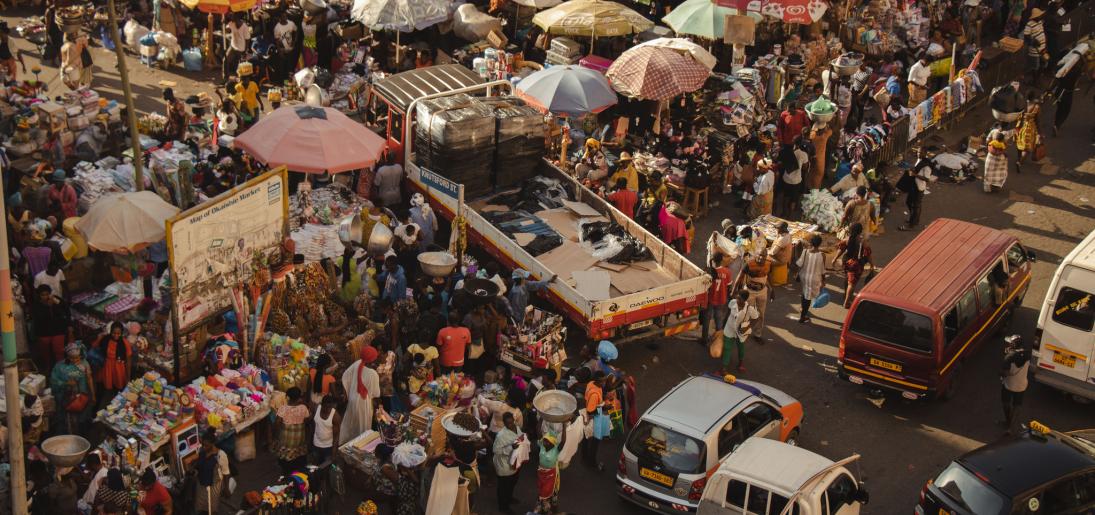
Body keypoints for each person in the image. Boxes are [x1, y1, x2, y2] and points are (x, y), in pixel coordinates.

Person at [339, 345, 381, 445]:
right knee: (363, 426)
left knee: (351, 422)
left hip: (352, 399)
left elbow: (345, 376)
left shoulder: (357, 363)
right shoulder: (373, 374)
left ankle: (347, 443)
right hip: (364, 403)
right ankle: (359, 444)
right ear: (372, 360)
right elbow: (375, 394)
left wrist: (346, 393)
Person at [50, 343, 94, 434]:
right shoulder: (60, 366)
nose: (75, 360)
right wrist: (66, 383)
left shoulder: (85, 364)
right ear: (67, 356)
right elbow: (53, 381)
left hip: (82, 396)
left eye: (77, 357)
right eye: (72, 358)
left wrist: (93, 395)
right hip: (67, 398)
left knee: (82, 417)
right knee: (68, 419)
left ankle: (81, 433)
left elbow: (89, 379)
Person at [831, 223, 873, 308]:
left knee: (847, 278)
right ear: (860, 231)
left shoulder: (847, 239)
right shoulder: (862, 241)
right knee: (852, 284)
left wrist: (834, 259)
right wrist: (872, 264)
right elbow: (868, 254)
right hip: (856, 265)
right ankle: (847, 302)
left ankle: (846, 294)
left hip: (846, 262)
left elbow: (841, 250)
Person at [31, 284, 70, 369]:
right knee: (45, 354)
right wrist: (48, 307)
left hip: (58, 330)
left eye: (47, 294)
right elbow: (39, 318)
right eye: (43, 295)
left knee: (59, 352)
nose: (45, 297)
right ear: (39, 295)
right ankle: (48, 369)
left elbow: (65, 309)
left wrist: (55, 304)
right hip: (44, 333)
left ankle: (61, 369)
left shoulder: (55, 299)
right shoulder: (36, 305)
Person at [194, 429, 232, 513]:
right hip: (201, 485)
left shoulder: (221, 455)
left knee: (212, 508)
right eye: (203, 445)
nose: (204, 447)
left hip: (214, 486)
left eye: (206, 445)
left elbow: (226, 472)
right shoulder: (202, 451)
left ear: (213, 443)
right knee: (202, 506)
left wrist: (226, 489)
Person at [493, 412, 523, 514]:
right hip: (504, 465)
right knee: (503, 487)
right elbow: (496, 450)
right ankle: (503, 507)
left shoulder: (517, 428)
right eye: (508, 423)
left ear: (514, 420)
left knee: (512, 482)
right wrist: (510, 448)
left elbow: (520, 437)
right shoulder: (501, 436)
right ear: (504, 423)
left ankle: (509, 498)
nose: (510, 425)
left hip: (515, 462)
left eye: (511, 422)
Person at [275, 387, 310, 475]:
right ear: (299, 398)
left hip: (287, 441)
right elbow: (307, 420)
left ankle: (287, 475)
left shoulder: (283, 408)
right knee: (299, 461)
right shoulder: (303, 408)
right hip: (299, 440)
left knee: (286, 464)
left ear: (288, 397)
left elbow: (277, 423)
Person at [93, 322, 132, 401]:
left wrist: (128, 376)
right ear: (110, 332)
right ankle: (102, 400)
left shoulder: (125, 343)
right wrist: (99, 337)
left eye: (118, 333)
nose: (116, 335)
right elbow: (94, 346)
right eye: (114, 333)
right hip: (106, 366)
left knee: (117, 388)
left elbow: (128, 361)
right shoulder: (105, 339)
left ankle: (115, 401)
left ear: (121, 333)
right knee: (104, 386)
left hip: (118, 368)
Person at [699, 253, 733, 345]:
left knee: (707, 319)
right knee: (719, 320)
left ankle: (704, 339)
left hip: (710, 299)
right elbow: (729, 287)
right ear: (722, 260)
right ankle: (718, 340)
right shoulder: (727, 272)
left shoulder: (709, 272)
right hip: (721, 299)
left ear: (713, 260)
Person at [899, 148, 935, 230]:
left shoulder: (927, 166)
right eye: (918, 152)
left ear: (925, 153)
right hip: (914, 185)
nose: (919, 154)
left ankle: (911, 224)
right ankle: (915, 220)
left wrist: (915, 175)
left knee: (915, 206)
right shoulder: (919, 160)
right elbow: (916, 169)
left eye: (921, 152)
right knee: (910, 203)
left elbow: (927, 179)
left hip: (919, 187)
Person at [1000, 335, 1030, 434]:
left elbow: (1005, 373)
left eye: (1010, 343)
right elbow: (1020, 355)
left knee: (1006, 403)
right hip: (1022, 385)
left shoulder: (1009, 357)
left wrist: (1007, 355)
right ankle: (1010, 426)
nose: (1008, 344)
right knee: (1017, 405)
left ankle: (1008, 422)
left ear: (1013, 345)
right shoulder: (1027, 354)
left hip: (1009, 384)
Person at [722, 290, 758, 374]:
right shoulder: (732, 302)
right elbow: (728, 313)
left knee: (741, 347)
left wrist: (747, 328)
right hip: (730, 328)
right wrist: (723, 326)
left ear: (744, 300)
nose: (737, 300)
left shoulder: (750, 309)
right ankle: (724, 368)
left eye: (739, 299)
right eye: (737, 297)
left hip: (741, 331)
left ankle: (741, 363)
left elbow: (756, 319)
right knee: (727, 347)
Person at [743, 249, 772, 342]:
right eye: (759, 255)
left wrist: (771, 289)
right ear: (755, 255)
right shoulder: (749, 264)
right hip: (750, 291)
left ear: (766, 256)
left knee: (761, 314)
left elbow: (768, 276)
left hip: (762, 291)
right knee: (748, 313)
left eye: (764, 255)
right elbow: (740, 276)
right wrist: (736, 290)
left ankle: (757, 334)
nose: (761, 257)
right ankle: (743, 331)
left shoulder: (768, 264)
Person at [795, 234, 826, 324]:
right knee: (808, 298)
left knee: (805, 293)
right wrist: (824, 280)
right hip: (814, 279)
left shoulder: (805, 252)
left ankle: (802, 309)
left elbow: (799, 264)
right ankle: (802, 317)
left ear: (811, 243)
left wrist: (797, 273)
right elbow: (823, 270)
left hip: (804, 277)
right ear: (819, 244)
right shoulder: (822, 255)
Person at [536, 430, 567, 515]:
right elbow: (538, 432)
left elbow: (563, 441)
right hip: (541, 473)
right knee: (542, 490)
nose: (544, 442)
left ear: (552, 443)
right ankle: (544, 507)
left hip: (551, 474)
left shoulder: (556, 449)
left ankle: (551, 508)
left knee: (551, 491)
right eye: (544, 440)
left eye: (547, 441)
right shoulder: (542, 446)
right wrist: (541, 421)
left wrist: (564, 425)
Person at [582, 371, 606, 471]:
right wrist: (605, 407)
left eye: (604, 380)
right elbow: (590, 411)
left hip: (586, 414)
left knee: (586, 437)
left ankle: (584, 456)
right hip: (594, 418)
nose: (604, 383)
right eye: (602, 381)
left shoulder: (590, 383)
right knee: (595, 442)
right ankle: (592, 462)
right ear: (598, 381)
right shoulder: (595, 395)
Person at [1014, 93, 1041, 173]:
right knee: (1027, 148)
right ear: (1033, 98)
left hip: (1020, 126)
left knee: (1019, 143)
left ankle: (1018, 158)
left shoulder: (1022, 105)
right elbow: (1037, 120)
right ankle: (1019, 162)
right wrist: (1040, 132)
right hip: (1029, 129)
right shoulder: (1036, 107)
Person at [224, 13, 251, 83]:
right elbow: (227, 30)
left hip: (241, 49)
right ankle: (225, 78)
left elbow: (247, 39)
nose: (231, 17)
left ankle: (241, 82)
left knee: (240, 67)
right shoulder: (231, 23)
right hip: (233, 46)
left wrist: (245, 51)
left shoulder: (244, 27)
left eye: (232, 16)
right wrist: (224, 22)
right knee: (226, 60)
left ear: (237, 17)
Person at [1022, 9, 1048, 83]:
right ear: (1035, 17)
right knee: (1035, 66)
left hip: (1042, 48)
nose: (1041, 16)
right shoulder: (1029, 24)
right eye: (1039, 15)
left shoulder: (1040, 22)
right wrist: (1033, 42)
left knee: (1044, 63)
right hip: (1035, 50)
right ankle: (1035, 81)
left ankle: (1037, 78)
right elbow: (1026, 37)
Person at [273, 12, 297, 83]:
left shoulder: (291, 24)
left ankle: (290, 82)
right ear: (280, 18)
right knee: (282, 67)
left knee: (290, 67)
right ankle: (282, 82)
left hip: (290, 50)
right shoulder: (277, 28)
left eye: (286, 16)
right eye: (283, 16)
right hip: (282, 50)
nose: (285, 18)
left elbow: (296, 31)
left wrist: (294, 41)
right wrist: (280, 51)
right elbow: (277, 41)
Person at [807, 123, 832, 189]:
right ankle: (815, 190)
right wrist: (825, 125)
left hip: (811, 158)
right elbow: (830, 131)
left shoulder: (812, 136)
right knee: (818, 176)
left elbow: (812, 130)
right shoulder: (824, 136)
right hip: (820, 161)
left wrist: (815, 127)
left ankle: (809, 188)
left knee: (811, 173)